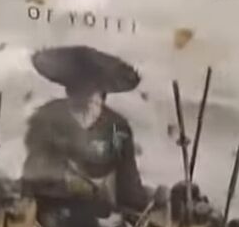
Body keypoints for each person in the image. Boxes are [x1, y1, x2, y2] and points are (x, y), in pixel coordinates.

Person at [22, 45, 150, 213]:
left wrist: (138, 207)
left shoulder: (118, 128)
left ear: (102, 93)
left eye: (95, 91)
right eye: (82, 88)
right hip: (53, 211)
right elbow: (35, 176)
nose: (89, 96)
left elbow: (128, 183)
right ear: (70, 89)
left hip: (105, 215)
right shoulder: (46, 119)